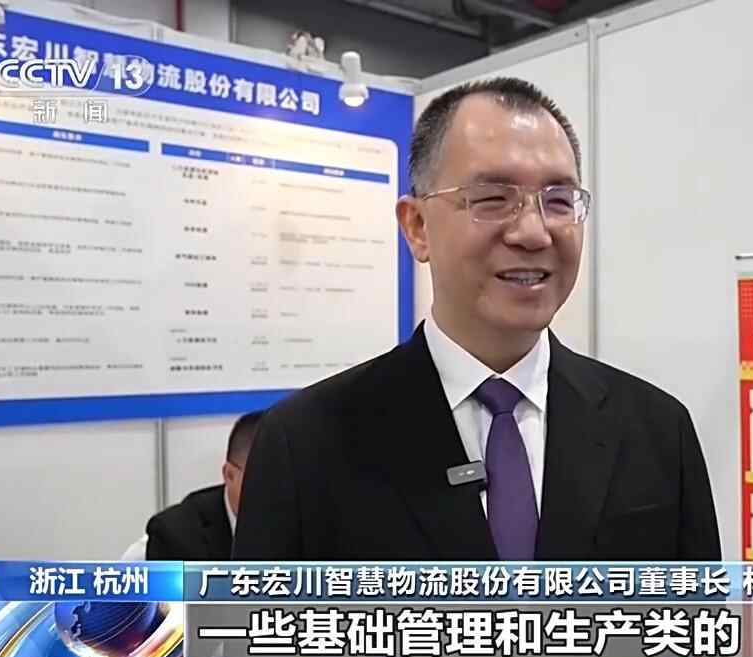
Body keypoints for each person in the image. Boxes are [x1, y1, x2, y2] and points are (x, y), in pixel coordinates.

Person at [233, 77, 719, 561]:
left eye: (558, 201)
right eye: (491, 198)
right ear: (417, 227)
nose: (534, 233)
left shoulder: (657, 430)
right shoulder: (304, 445)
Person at [146, 411, 263, 560]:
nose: (276, 494)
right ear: (229, 475)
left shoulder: (290, 520)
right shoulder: (173, 536)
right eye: (263, 482)